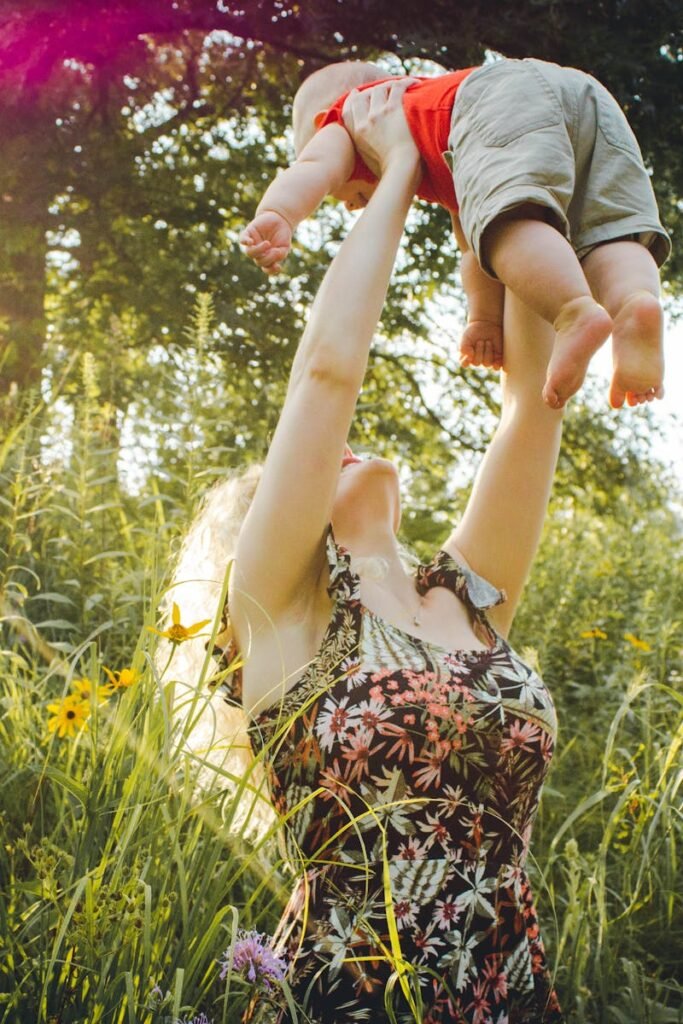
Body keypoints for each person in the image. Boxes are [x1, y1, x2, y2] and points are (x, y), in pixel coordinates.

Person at [173, 81, 571, 1023]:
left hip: (508, 998)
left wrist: (481, 171)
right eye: (320, 465)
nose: (341, 448)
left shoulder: (466, 600)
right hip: (353, 998)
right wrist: (394, 168)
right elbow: (327, 370)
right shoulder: (285, 613)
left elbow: (533, 405)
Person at [240, 58, 670, 411]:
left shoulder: (351, 118)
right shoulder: (448, 146)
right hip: (585, 95)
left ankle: (574, 311)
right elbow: (473, 248)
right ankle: (633, 304)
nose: (351, 204)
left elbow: (312, 168)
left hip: (499, 96)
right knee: (608, 230)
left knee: (509, 226)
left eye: (342, 196)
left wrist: (279, 213)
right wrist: (483, 320)